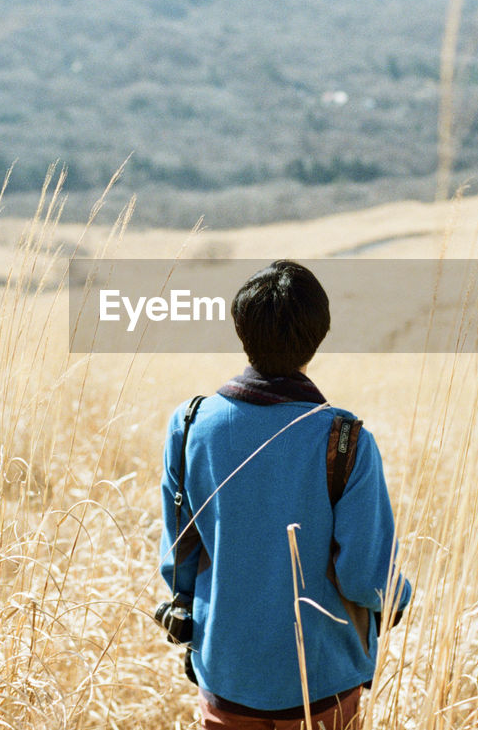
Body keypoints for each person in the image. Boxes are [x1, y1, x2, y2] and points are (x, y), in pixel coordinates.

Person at [160, 260, 412, 729]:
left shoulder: (190, 425)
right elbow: (367, 577)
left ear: (242, 330)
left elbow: (179, 561)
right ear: (317, 337)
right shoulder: (346, 440)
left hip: (227, 678)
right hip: (321, 686)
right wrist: (399, 596)